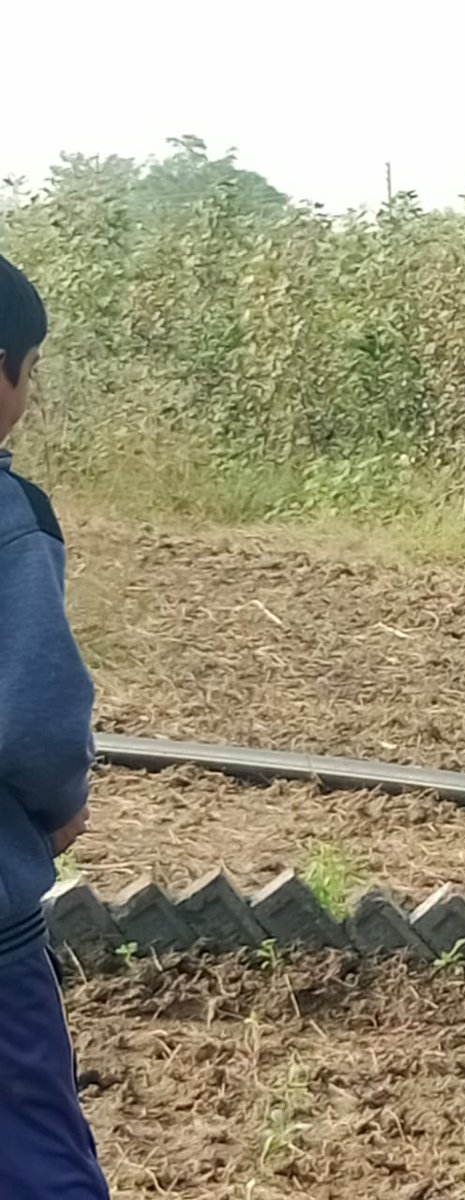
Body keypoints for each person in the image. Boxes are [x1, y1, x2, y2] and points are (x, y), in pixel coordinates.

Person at [0, 254, 110, 1198]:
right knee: (36, 1159)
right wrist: (60, 807)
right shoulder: (11, 520)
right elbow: (35, 721)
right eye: (29, 371)